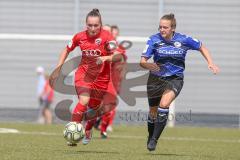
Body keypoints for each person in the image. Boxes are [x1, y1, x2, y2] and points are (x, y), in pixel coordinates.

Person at [140, 13, 219, 151]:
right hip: (155, 79)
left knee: (164, 105)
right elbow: (142, 61)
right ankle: (150, 135)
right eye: (160, 27)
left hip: (175, 78)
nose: (162, 30)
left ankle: (154, 139)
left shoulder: (184, 39)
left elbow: (202, 47)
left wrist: (210, 62)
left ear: (173, 28)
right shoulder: (153, 39)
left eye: (165, 27)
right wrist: (148, 65)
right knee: (153, 112)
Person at [52, 9, 123, 146]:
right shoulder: (79, 37)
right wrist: (59, 67)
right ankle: (72, 135)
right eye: (90, 25)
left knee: (94, 109)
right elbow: (66, 49)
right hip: (84, 75)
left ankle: (88, 129)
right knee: (84, 100)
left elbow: (118, 55)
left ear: (100, 24)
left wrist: (106, 57)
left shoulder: (107, 37)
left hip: (102, 78)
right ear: (86, 24)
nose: (92, 28)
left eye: (96, 25)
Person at [99, 25, 127, 138]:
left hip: (111, 79)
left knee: (110, 104)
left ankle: (104, 128)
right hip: (95, 78)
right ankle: (83, 124)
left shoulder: (116, 47)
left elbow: (120, 57)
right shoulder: (95, 44)